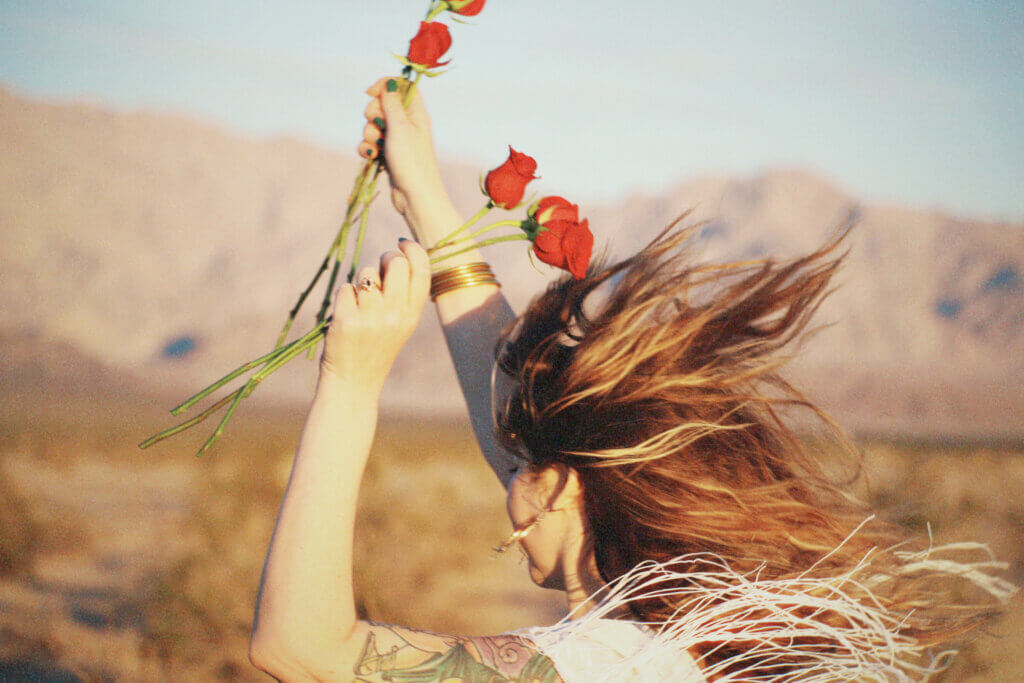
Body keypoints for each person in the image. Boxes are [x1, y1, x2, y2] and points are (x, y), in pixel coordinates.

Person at [248, 78, 1013, 682]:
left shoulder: (608, 663)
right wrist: (425, 197)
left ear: (559, 488)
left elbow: (302, 649)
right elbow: (517, 416)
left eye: (517, 461)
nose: (502, 466)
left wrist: (351, 383)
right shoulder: (683, 640)